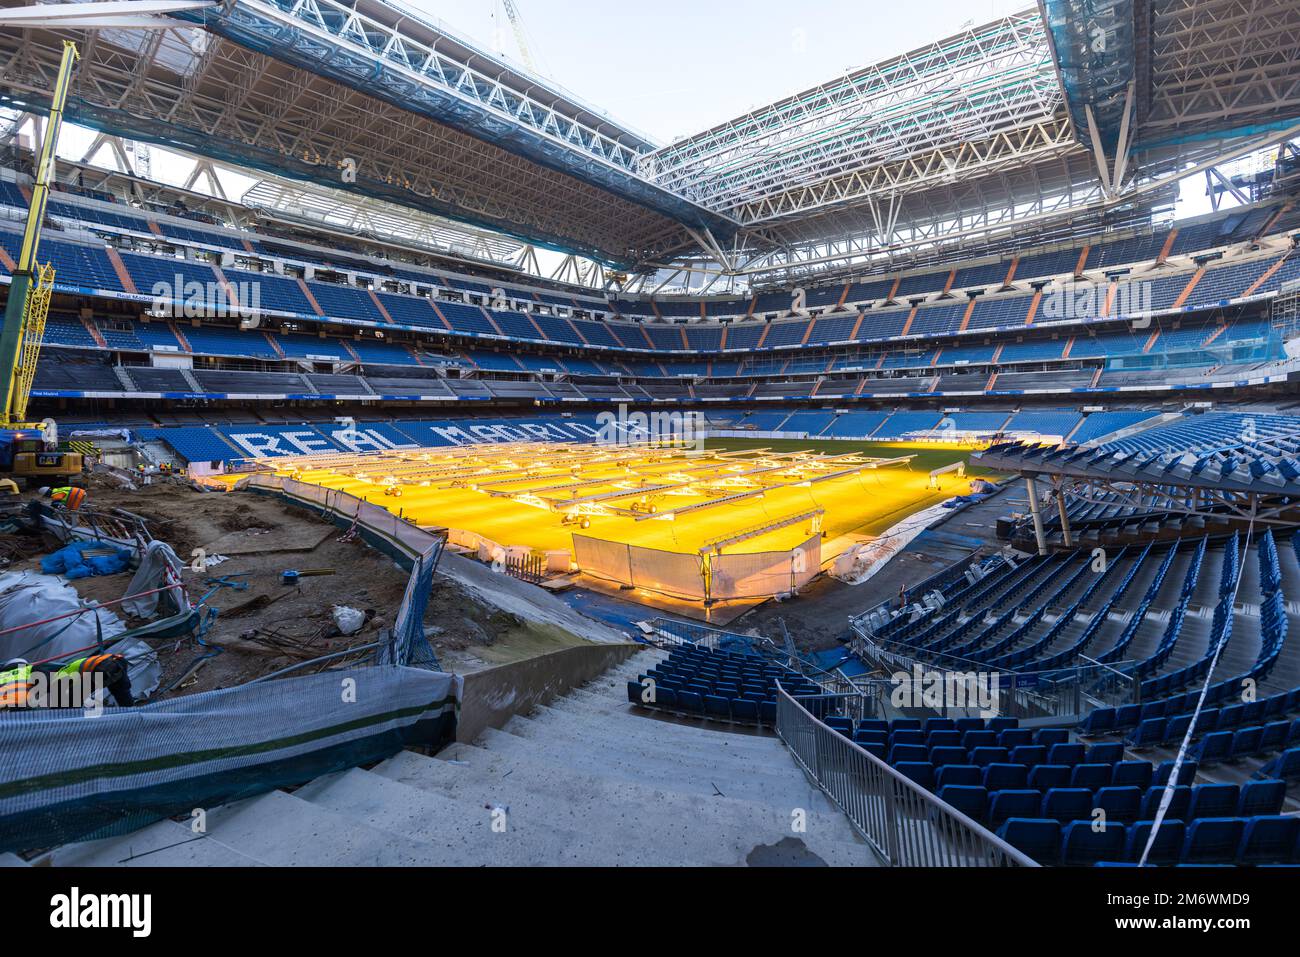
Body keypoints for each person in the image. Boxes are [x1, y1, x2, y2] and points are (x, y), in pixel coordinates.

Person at [0, 653, 134, 708]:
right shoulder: (30, 670)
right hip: (109, 666)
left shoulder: (12, 675)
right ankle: (131, 714)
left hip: (105, 668)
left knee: (66, 704)